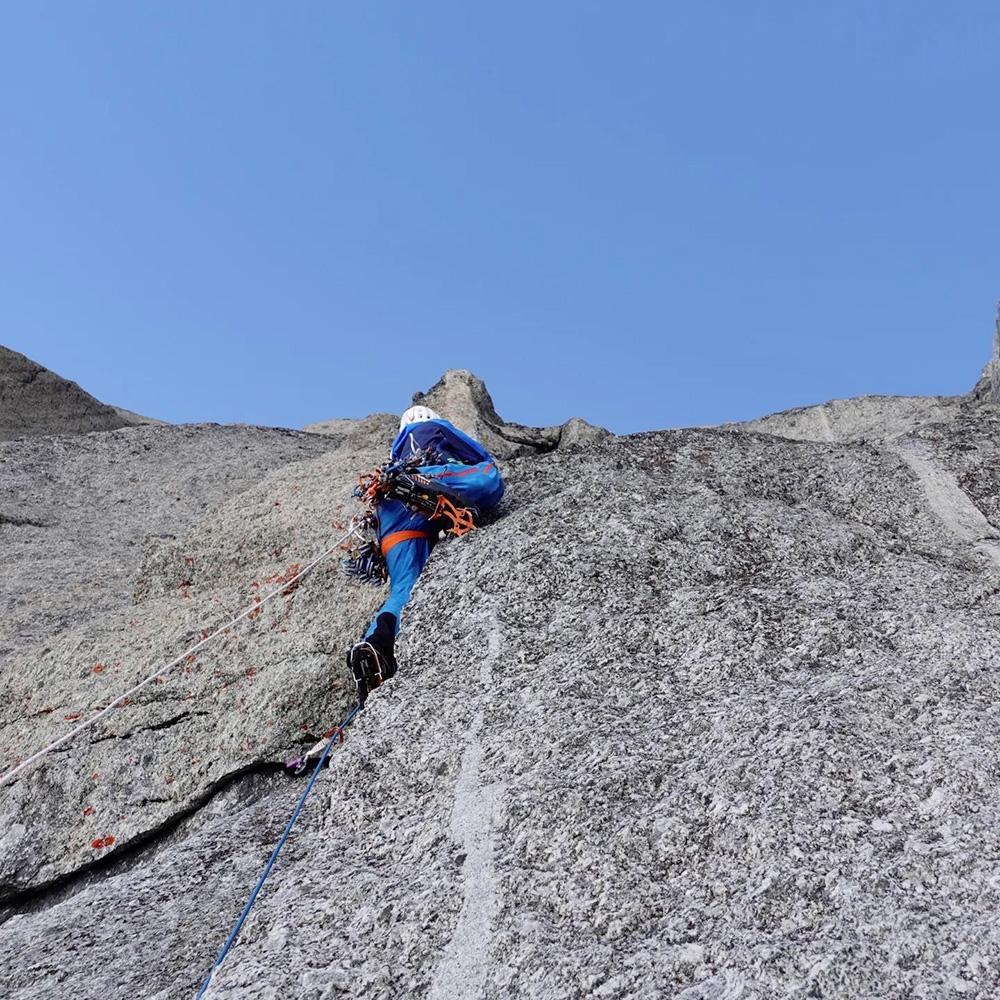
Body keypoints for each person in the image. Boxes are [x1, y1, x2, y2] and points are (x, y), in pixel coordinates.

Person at [346, 405, 504, 706]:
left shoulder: (396, 452)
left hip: (390, 511)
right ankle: (438, 499)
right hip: (423, 479)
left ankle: (375, 648)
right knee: (489, 478)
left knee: (405, 587)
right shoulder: (432, 428)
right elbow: (478, 455)